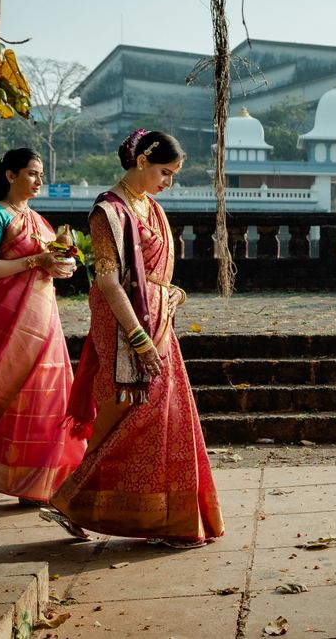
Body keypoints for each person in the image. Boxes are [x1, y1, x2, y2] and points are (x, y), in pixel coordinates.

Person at [40, 129, 224, 547]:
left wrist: (167, 295)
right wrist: (138, 336)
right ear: (142, 160)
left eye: (174, 175)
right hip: (126, 327)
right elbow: (107, 279)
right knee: (136, 412)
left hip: (157, 322)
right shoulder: (109, 211)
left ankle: (159, 516)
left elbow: (156, 276)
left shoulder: (151, 208)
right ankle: (77, 501)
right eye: (165, 172)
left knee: (166, 415)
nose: (168, 182)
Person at [0, 148, 86, 505]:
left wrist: (59, 266)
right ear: (10, 175)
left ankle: (36, 480)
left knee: (49, 397)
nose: (39, 181)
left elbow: (51, 265)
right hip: (8, 320)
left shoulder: (39, 221)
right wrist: (36, 260)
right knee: (7, 394)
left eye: (41, 176)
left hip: (44, 318)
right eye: (32, 174)